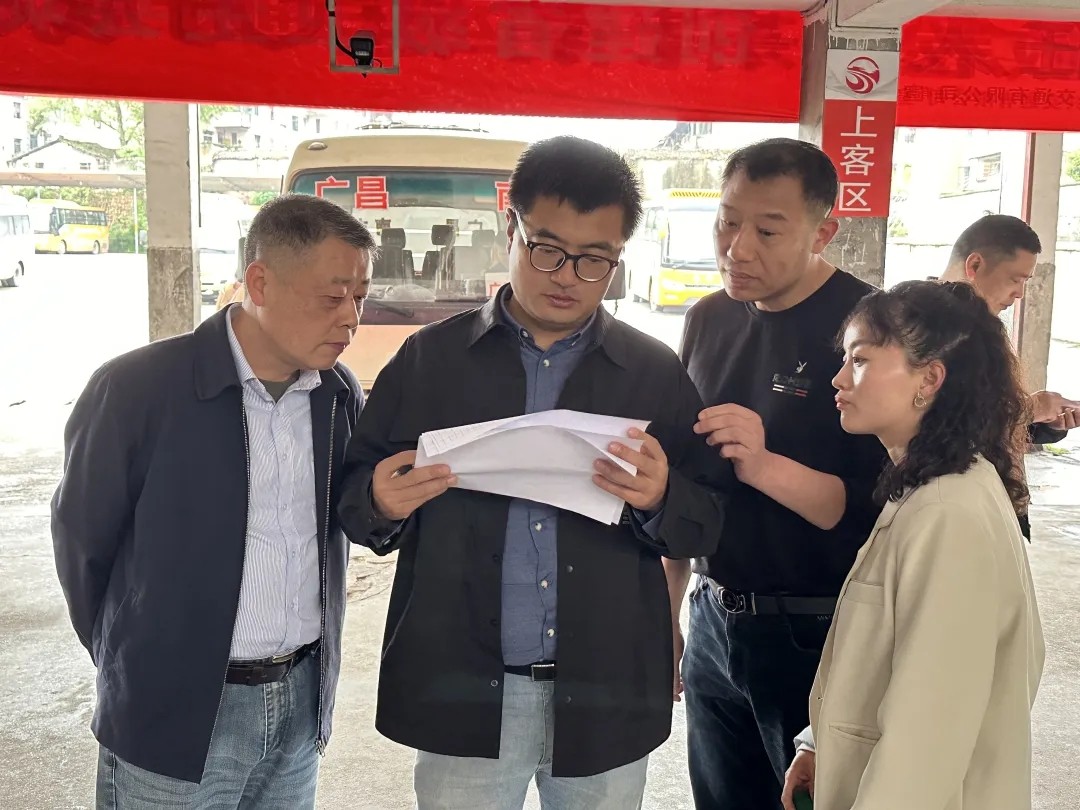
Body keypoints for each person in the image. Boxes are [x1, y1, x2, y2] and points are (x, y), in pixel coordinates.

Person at [337, 135, 732, 810]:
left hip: (604, 689)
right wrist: (380, 501)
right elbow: (353, 497)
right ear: (510, 230)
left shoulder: (651, 372)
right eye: (546, 249)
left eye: (594, 260)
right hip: (464, 688)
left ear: (618, 258)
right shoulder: (430, 363)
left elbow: (709, 520)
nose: (566, 276)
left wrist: (663, 496)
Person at [51, 194, 374, 808]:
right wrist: (137, 660)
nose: (351, 319)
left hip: (299, 702)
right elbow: (82, 544)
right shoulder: (138, 388)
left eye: (360, 297)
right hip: (175, 708)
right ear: (260, 282)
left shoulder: (335, 394)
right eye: (332, 297)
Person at [665, 137, 889, 809]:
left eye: (767, 231)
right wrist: (666, 613)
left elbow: (868, 507)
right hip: (712, 616)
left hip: (815, 629)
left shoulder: (871, 329)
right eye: (727, 221)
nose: (737, 248)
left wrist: (762, 465)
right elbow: (686, 482)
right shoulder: (706, 318)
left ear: (823, 232)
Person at [781, 280, 1045, 810]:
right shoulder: (931, 486)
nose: (838, 378)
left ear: (930, 379)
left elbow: (928, 731)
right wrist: (819, 743)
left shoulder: (947, 513)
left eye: (860, 360)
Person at [940, 213, 1080, 537]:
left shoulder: (985, 326)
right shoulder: (924, 326)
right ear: (974, 265)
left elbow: (995, 419)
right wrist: (1031, 408)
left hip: (996, 503)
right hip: (957, 508)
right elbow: (943, 418)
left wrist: (1046, 423)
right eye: (1015, 279)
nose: (1020, 294)